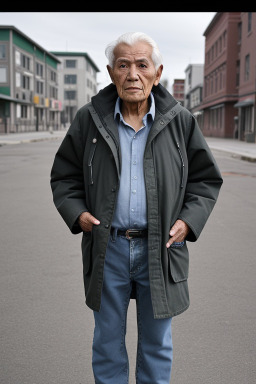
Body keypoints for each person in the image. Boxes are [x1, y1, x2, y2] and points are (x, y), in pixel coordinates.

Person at [50, 32, 223, 384]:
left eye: (142, 65)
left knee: (157, 343)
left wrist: (189, 222)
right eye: (124, 65)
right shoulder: (90, 119)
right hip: (107, 246)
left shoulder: (180, 120)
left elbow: (206, 180)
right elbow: (64, 177)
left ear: (157, 73)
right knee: (107, 340)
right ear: (112, 72)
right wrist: (77, 213)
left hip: (161, 247)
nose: (133, 74)